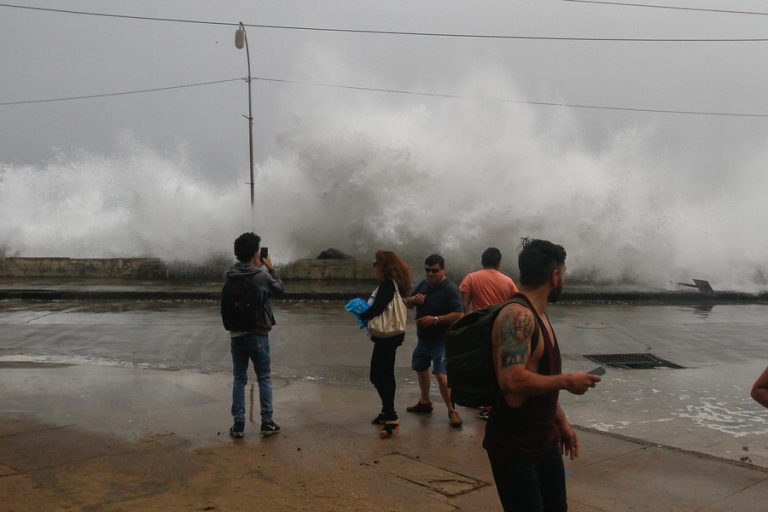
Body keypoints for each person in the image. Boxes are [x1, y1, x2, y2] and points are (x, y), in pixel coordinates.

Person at [484, 239, 601, 512]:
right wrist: (567, 381)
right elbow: (512, 380)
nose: (564, 280)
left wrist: (561, 423)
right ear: (555, 276)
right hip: (515, 448)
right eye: (564, 273)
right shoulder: (517, 316)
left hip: (544, 440)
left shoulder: (540, 315)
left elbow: (539, 377)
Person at [224, 232, 284, 438]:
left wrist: (254, 265)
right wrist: (271, 268)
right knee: (264, 377)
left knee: (239, 378)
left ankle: (238, 424)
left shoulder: (230, 274)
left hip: (236, 333)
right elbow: (279, 290)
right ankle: (267, 422)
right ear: (255, 253)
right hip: (257, 332)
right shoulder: (261, 275)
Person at [404, 254, 465, 427]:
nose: (430, 274)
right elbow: (407, 303)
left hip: (442, 340)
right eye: (427, 270)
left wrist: (435, 320)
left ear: (443, 270)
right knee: (420, 367)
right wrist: (412, 299)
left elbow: (459, 314)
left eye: (434, 271)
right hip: (424, 339)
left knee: (441, 375)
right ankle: (425, 402)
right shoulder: (423, 285)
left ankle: (452, 411)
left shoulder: (450, 289)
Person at [459, 247, 519, 420]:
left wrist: (465, 326)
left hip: (479, 328)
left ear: (482, 261)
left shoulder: (471, 278)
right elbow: (515, 304)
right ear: (499, 263)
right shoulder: (508, 281)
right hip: (501, 328)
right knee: (496, 365)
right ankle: (492, 403)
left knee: (482, 365)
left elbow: (464, 305)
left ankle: (487, 404)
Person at [358, 250, 412, 438]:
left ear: (384, 266)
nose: (374, 267)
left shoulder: (387, 284)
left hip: (386, 338)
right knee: (387, 374)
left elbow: (377, 308)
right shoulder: (394, 284)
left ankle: (391, 417)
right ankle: (386, 411)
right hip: (392, 336)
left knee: (377, 375)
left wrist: (361, 313)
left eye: (376, 264)